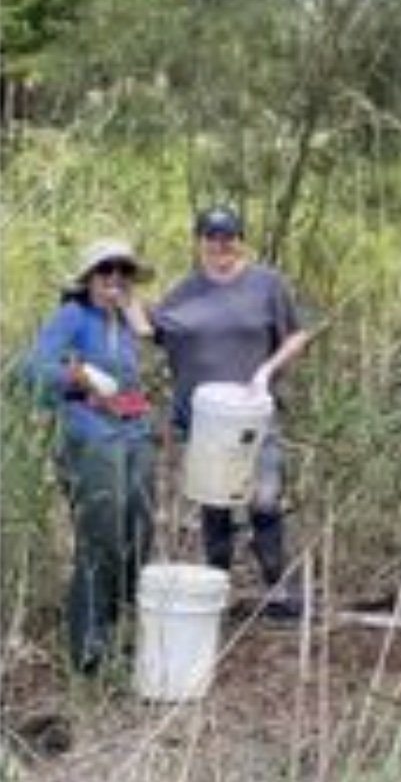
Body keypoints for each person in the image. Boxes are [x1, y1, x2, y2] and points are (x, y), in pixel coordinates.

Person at [151, 206, 312, 618]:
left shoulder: (267, 284)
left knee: (265, 498)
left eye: (228, 236)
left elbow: (297, 336)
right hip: (206, 419)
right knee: (215, 502)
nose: (220, 245)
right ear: (200, 241)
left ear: (240, 239)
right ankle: (215, 594)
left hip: (256, 412)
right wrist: (112, 297)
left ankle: (279, 590)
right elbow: (153, 330)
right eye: (211, 237)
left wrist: (267, 370)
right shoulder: (186, 290)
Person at [26, 238, 158, 672]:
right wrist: (78, 376)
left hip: (133, 436)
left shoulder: (126, 322)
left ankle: (119, 631)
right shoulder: (73, 316)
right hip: (91, 438)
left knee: (138, 533)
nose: (115, 280)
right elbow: (27, 370)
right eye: (106, 272)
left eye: (124, 272)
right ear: (88, 280)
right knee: (100, 536)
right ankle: (88, 650)